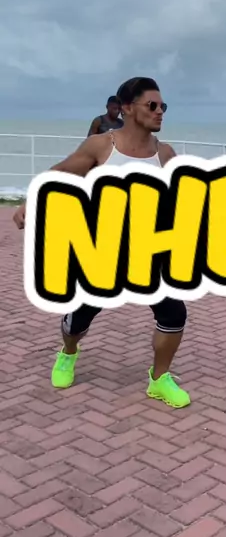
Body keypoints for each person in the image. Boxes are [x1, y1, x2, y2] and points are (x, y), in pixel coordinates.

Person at [13, 77, 190, 409]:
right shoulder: (102, 146)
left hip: (148, 253)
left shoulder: (165, 154)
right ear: (127, 108)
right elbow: (62, 173)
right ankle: (68, 353)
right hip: (102, 252)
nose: (160, 112)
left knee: (174, 313)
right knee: (78, 320)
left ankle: (159, 378)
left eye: (163, 106)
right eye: (152, 105)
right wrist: (32, 200)